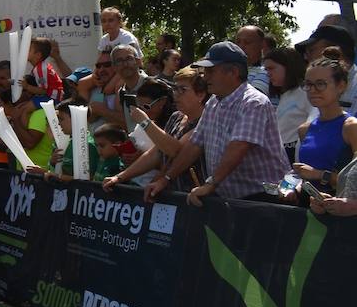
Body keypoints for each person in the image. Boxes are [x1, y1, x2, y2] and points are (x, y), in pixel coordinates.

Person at [143, 42, 288, 206]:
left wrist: (210, 184)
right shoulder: (213, 103)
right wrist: (165, 179)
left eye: (211, 71)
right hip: (233, 201)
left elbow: (238, 147)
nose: (205, 77)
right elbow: (194, 145)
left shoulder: (254, 103)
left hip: (263, 201)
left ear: (233, 72)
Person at [105, 67, 208, 193]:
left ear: (201, 94)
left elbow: (176, 151)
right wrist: (120, 177)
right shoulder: (176, 117)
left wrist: (145, 122)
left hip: (194, 198)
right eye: (175, 89)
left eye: (183, 90)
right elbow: (156, 154)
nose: (176, 94)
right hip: (172, 194)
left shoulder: (206, 121)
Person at [292, 57, 357, 195]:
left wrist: (320, 175)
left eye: (320, 84)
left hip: (340, 211)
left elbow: (353, 183)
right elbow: (305, 177)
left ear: (341, 86)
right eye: (308, 84)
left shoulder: (351, 127)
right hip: (308, 209)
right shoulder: (305, 130)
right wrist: (294, 188)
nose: (313, 90)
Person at [264, 46, 309, 160]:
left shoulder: (305, 92)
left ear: (289, 67)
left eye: (272, 68)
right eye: (266, 70)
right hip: (280, 153)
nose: (268, 74)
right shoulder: (285, 94)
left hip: (296, 154)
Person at [235, 25, 270, 95]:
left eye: (247, 42)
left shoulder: (268, 71)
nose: (241, 47)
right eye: (238, 42)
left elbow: (251, 100)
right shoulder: (231, 70)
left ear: (262, 44)